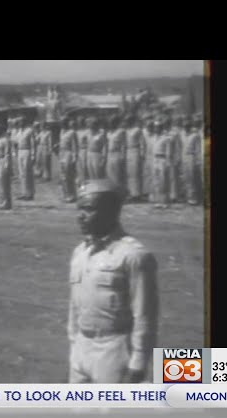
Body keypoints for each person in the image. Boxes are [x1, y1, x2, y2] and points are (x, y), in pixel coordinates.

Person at [67, 179, 159, 383]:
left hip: (114, 350)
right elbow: (74, 305)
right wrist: (74, 341)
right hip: (82, 346)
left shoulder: (133, 255)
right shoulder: (81, 253)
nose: (80, 216)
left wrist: (138, 362)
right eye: (79, 209)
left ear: (111, 212)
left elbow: (144, 314)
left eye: (89, 209)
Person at [124, 114, 146, 202]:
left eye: (128, 121)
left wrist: (142, 154)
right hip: (127, 151)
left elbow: (142, 143)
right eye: (125, 121)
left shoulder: (137, 130)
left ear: (132, 121)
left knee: (135, 174)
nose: (126, 122)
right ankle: (131, 193)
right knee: (129, 174)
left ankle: (137, 194)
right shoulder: (125, 131)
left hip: (135, 151)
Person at [182, 118, 203, 205]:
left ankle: (195, 198)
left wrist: (198, 161)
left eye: (187, 126)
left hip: (192, 157)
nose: (185, 128)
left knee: (193, 177)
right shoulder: (184, 136)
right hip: (185, 157)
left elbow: (198, 149)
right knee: (187, 177)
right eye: (184, 126)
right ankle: (189, 196)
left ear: (190, 127)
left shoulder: (195, 136)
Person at [15, 117, 36, 201]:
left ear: (25, 122)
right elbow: (16, 142)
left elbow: (33, 143)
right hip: (20, 151)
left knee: (27, 173)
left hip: (27, 151)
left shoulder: (29, 131)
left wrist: (33, 155)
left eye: (21, 122)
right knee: (21, 174)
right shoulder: (19, 131)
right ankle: (24, 192)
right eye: (19, 122)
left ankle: (30, 193)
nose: (20, 123)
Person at [59, 117, 79, 202]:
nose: (62, 124)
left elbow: (74, 146)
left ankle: (72, 195)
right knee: (63, 176)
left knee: (69, 175)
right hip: (62, 154)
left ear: (67, 123)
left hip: (68, 154)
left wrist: (74, 157)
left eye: (63, 122)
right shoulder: (62, 132)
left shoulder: (72, 132)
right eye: (61, 122)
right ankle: (65, 195)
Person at [106, 115, 127, 189]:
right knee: (110, 174)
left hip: (117, 154)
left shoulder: (121, 131)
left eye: (113, 122)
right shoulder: (109, 132)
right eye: (110, 122)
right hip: (109, 154)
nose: (111, 123)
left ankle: (119, 193)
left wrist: (122, 156)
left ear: (116, 122)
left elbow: (123, 145)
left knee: (117, 175)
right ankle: (112, 192)